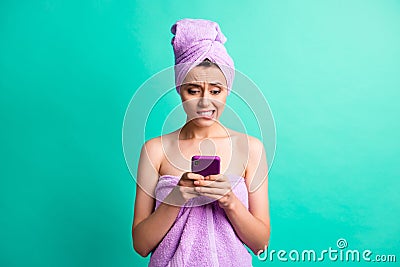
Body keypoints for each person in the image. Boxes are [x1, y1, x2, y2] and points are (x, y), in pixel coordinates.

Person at [132, 18, 270, 266]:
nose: (205, 103)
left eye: (216, 91)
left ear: (227, 89)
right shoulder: (155, 151)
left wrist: (229, 201)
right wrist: (177, 197)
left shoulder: (251, 150)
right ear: (179, 89)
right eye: (193, 90)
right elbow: (141, 246)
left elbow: (261, 245)